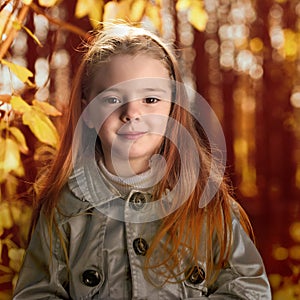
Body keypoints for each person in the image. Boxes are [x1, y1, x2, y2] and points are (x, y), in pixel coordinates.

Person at [13, 23, 271, 299]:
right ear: (87, 109)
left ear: (173, 107)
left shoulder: (205, 201)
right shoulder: (64, 207)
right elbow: (37, 292)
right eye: (112, 98)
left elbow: (248, 289)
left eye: (150, 99)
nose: (132, 113)